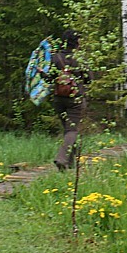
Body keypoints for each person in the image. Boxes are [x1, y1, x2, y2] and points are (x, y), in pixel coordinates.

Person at [50, 29, 91, 171]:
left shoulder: (55, 58)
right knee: (72, 130)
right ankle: (62, 158)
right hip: (76, 98)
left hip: (58, 98)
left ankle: (70, 164)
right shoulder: (79, 58)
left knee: (68, 131)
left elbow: (49, 77)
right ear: (76, 42)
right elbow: (88, 79)